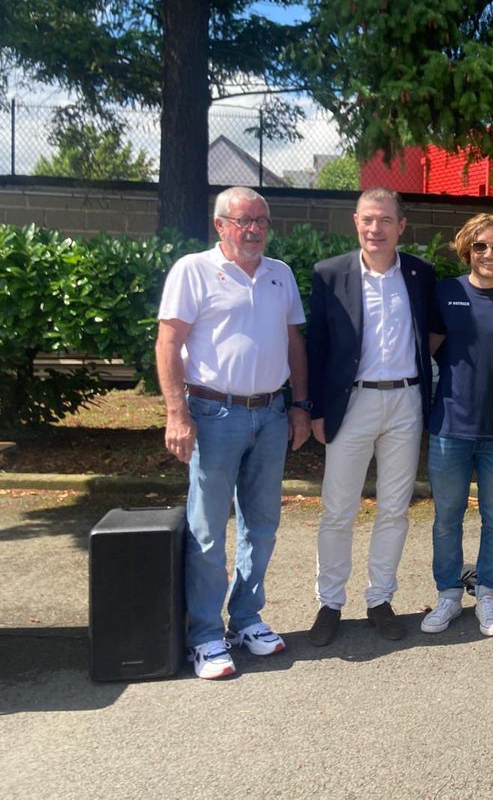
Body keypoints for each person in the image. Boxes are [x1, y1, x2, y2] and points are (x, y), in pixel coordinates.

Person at [156, 186, 311, 680]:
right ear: (220, 225)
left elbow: (294, 344)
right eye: (244, 221)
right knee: (207, 531)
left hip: (269, 415)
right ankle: (204, 634)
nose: (254, 230)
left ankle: (246, 618)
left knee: (261, 525)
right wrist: (176, 413)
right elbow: (168, 342)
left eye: (261, 221)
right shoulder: (192, 270)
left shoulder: (279, 274)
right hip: (211, 415)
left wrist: (300, 407)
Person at [305, 188, 436, 647]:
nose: (375, 229)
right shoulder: (329, 274)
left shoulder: (421, 274)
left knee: (395, 510)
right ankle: (330, 603)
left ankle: (380, 598)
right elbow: (316, 347)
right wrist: (316, 410)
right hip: (351, 403)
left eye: (384, 220)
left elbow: (433, 333)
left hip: (406, 402)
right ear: (355, 222)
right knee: (338, 509)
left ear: (401, 225)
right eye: (367, 220)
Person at [420, 213, 493, 637]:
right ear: (467, 249)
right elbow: (426, 354)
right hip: (450, 425)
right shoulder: (446, 292)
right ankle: (449, 595)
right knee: (447, 517)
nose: (489, 254)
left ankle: (487, 593)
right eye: (481, 246)